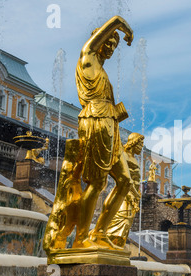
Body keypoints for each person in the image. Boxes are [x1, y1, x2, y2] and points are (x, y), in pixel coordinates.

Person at [73, 15, 134, 250]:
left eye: (114, 45)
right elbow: (116, 20)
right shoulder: (87, 58)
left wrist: (117, 112)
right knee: (97, 183)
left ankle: (98, 233)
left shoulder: (103, 72)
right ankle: (80, 240)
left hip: (111, 124)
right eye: (107, 42)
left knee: (125, 182)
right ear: (97, 41)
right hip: (95, 121)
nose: (110, 48)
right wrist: (124, 27)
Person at [105, 133, 144, 247]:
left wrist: (137, 194)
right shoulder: (123, 155)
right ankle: (109, 245)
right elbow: (124, 177)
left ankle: (118, 246)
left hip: (134, 194)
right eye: (140, 144)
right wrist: (135, 194)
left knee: (128, 222)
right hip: (124, 192)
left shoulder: (133, 158)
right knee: (122, 218)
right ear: (134, 143)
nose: (141, 148)